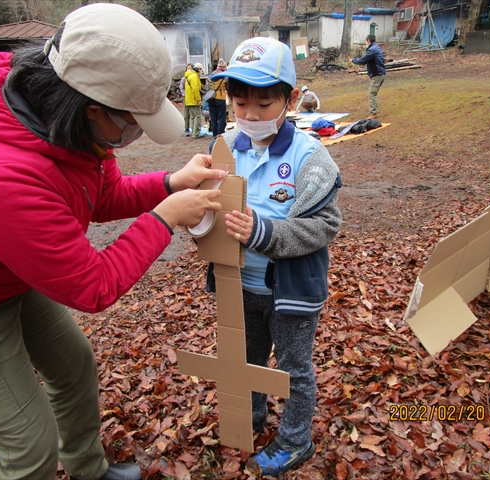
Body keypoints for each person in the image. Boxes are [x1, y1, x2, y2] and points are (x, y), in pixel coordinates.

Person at [0, 4, 225, 480]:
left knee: (73, 368)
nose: (132, 137)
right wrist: (164, 218)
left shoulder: (65, 126)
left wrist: (170, 183)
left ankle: (88, 472)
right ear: (91, 106)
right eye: (133, 123)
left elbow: (104, 195)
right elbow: (92, 287)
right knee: (27, 447)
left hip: (8, 271)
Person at [209, 37, 342, 476]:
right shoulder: (226, 147)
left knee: (293, 369)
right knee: (245, 360)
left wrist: (262, 232)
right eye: (239, 101)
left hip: (291, 293)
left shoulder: (310, 157)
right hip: (238, 285)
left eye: (264, 103)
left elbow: (325, 226)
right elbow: (211, 204)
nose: (249, 115)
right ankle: (247, 419)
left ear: (290, 98)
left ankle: (296, 439)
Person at [350, 34, 386, 119]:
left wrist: (353, 60)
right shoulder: (376, 48)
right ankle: (374, 110)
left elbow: (363, 60)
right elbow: (373, 62)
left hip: (378, 74)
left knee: (372, 93)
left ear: (369, 41)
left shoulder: (372, 50)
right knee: (373, 93)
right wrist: (371, 74)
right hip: (380, 74)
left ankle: (373, 113)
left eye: (366, 41)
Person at [207, 58, 228, 137]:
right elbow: (227, 86)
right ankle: (220, 135)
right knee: (221, 118)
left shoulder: (211, 74)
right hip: (220, 98)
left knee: (213, 118)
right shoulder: (224, 76)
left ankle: (214, 135)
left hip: (211, 98)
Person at [184, 62, 205, 138]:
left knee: (192, 117)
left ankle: (193, 132)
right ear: (198, 69)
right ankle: (196, 133)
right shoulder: (194, 77)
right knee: (197, 117)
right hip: (194, 100)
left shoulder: (188, 76)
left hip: (188, 100)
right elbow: (195, 89)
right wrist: (199, 99)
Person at [179, 63, 194, 135]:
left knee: (193, 114)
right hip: (186, 97)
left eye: (190, 68)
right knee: (186, 114)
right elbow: (181, 87)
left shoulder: (194, 77)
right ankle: (186, 128)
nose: (189, 70)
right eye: (188, 68)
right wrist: (184, 94)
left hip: (192, 97)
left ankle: (194, 129)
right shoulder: (184, 78)